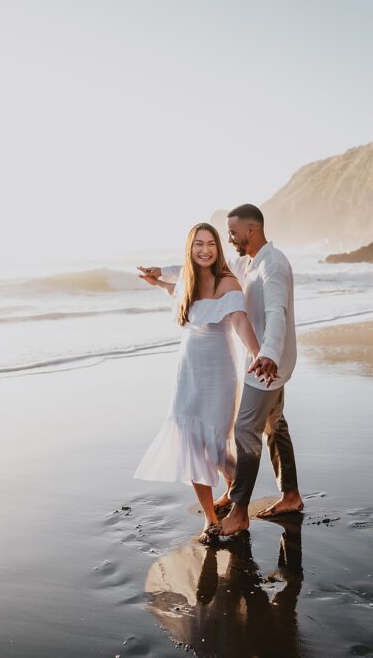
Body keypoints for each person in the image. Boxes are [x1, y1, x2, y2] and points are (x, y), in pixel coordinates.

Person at [135, 222, 264, 543]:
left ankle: (235, 484)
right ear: (190, 249)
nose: (204, 249)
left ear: (218, 248)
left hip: (218, 373)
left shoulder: (227, 282)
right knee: (191, 441)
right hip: (187, 372)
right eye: (198, 244)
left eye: (210, 244)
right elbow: (175, 287)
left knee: (215, 446)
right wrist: (159, 279)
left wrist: (259, 354)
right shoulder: (187, 280)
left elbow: (239, 321)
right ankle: (210, 518)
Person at [217, 203, 303, 538]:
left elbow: (276, 313)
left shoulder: (274, 264)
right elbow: (211, 269)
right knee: (274, 425)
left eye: (233, 232)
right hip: (266, 363)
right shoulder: (246, 262)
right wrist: (163, 272)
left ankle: (239, 512)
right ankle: (291, 495)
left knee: (245, 431)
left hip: (267, 366)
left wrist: (268, 354)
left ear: (252, 230)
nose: (230, 239)